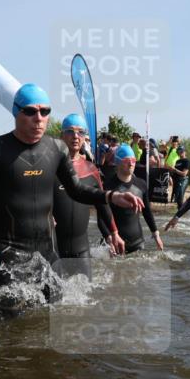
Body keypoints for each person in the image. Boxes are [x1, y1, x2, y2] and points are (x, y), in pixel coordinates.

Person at [0, 84, 144, 312]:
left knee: (58, 311)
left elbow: (77, 189)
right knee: (9, 320)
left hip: (45, 249)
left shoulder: (55, 149)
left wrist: (111, 196)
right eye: (30, 111)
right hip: (8, 249)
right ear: (16, 112)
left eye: (45, 111)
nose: (39, 118)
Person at [53, 114, 122, 278]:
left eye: (80, 132)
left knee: (86, 300)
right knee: (51, 301)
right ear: (61, 135)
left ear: (85, 137)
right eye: (70, 131)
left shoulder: (91, 169)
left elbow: (102, 204)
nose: (75, 136)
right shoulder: (50, 165)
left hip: (81, 247)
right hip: (53, 246)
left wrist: (113, 233)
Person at [101, 144, 162, 253]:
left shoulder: (141, 184)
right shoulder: (107, 187)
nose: (131, 164)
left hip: (137, 242)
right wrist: (108, 238)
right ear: (117, 162)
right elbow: (101, 218)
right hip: (114, 242)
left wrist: (155, 233)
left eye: (133, 160)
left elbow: (147, 211)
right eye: (126, 160)